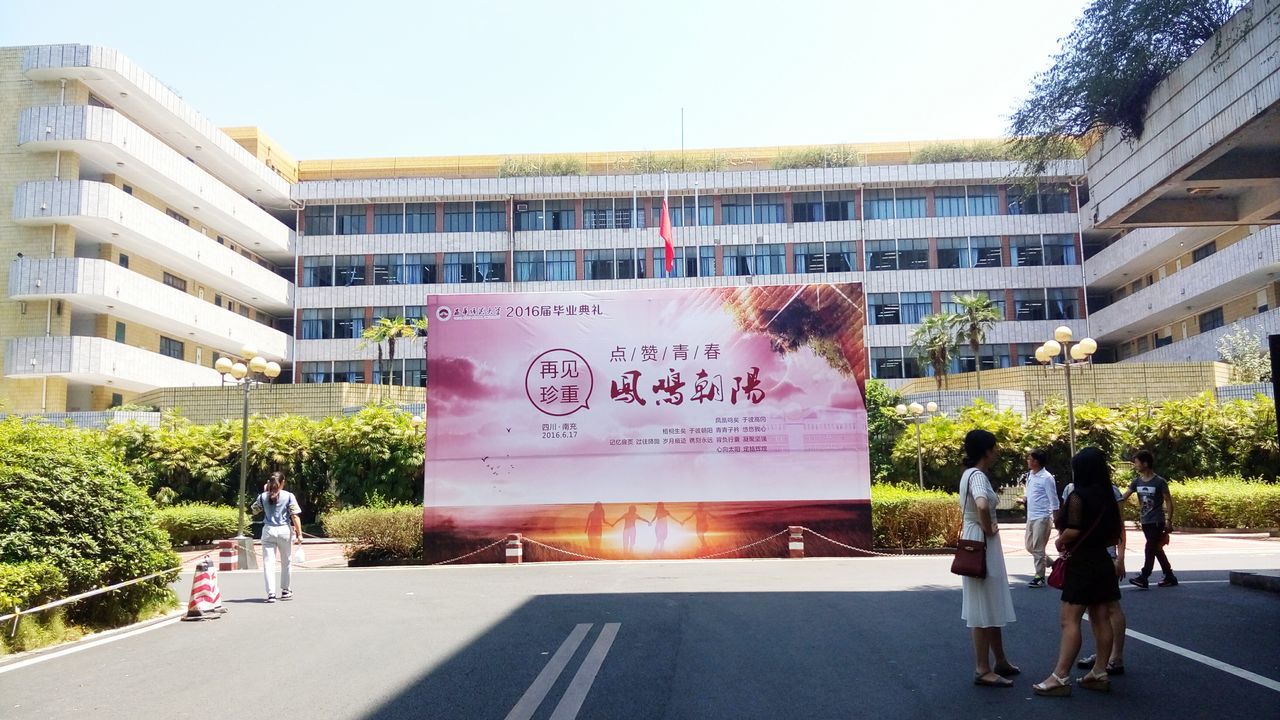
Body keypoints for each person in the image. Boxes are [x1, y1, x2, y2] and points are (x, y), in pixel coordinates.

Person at [1033, 447, 1122, 697]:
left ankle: (1060, 677)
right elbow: (1115, 533)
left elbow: (1073, 530)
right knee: (1101, 618)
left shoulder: (1077, 497)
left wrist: (1060, 543)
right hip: (1102, 561)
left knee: (1069, 619)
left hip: (1081, 563)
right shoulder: (1109, 497)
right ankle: (1099, 672)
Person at [958, 429, 1019, 688]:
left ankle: (1000, 660)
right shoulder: (979, 476)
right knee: (983, 603)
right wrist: (987, 528)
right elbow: (982, 505)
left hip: (974, 538)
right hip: (982, 541)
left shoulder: (967, 474)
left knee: (986, 601)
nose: (996, 452)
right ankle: (983, 668)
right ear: (986, 450)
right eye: (994, 448)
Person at [1068, 480, 1129, 676]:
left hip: (1103, 555)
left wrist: (1120, 557)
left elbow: (1119, 526)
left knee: (1110, 606)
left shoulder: (1108, 490)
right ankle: (1104, 656)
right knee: (1098, 610)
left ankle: (1115, 657)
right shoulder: (1074, 489)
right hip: (1091, 556)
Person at [1120, 449, 1177, 588]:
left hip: (1157, 520)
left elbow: (1168, 501)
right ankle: (1169, 576)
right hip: (1145, 521)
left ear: (1145, 463)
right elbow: (1124, 497)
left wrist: (1169, 520)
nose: (1135, 465)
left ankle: (1144, 576)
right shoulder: (1136, 482)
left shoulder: (1159, 482)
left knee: (1149, 547)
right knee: (1156, 548)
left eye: (1137, 463)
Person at [250, 471, 302, 603]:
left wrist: (263, 493)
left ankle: (271, 594)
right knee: (286, 561)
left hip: (268, 531)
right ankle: (285, 590)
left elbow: (254, 510)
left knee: (268, 563)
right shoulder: (289, 496)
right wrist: (299, 534)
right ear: (283, 482)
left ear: (269, 483)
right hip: (284, 530)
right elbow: (294, 515)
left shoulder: (262, 496)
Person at [1023, 449, 1058, 588]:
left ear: (1036, 461)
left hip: (1042, 517)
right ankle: (1052, 563)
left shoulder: (1047, 478)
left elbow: (1053, 499)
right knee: (1029, 546)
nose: (1028, 461)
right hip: (1031, 516)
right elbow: (1030, 491)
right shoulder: (1030, 475)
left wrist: (1055, 517)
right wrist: (1025, 498)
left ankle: (1039, 576)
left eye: (1030, 459)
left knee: (1037, 547)